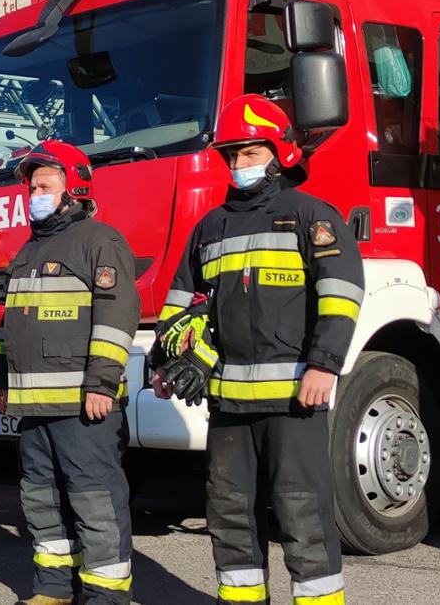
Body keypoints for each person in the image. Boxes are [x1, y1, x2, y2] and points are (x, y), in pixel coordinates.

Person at [152, 94, 363, 605]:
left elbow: (342, 293)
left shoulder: (312, 215)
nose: (238, 165)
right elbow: (178, 305)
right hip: (227, 403)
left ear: (280, 151)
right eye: (231, 156)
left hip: (295, 398)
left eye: (249, 153)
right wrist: (163, 362)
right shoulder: (211, 226)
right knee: (227, 513)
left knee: (302, 512)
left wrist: (325, 366)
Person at [0, 140, 139, 605]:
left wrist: (101, 383)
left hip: (82, 404)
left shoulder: (100, 241)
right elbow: (9, 325)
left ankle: (105, 593)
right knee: (40, 498)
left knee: (94, 499)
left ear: (72, 188)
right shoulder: (28, 251)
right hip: (34, 404)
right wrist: (2, 380)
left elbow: (117, 318)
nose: (33, 194)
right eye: (31, 187)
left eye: (43, 186)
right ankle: (53, 587)